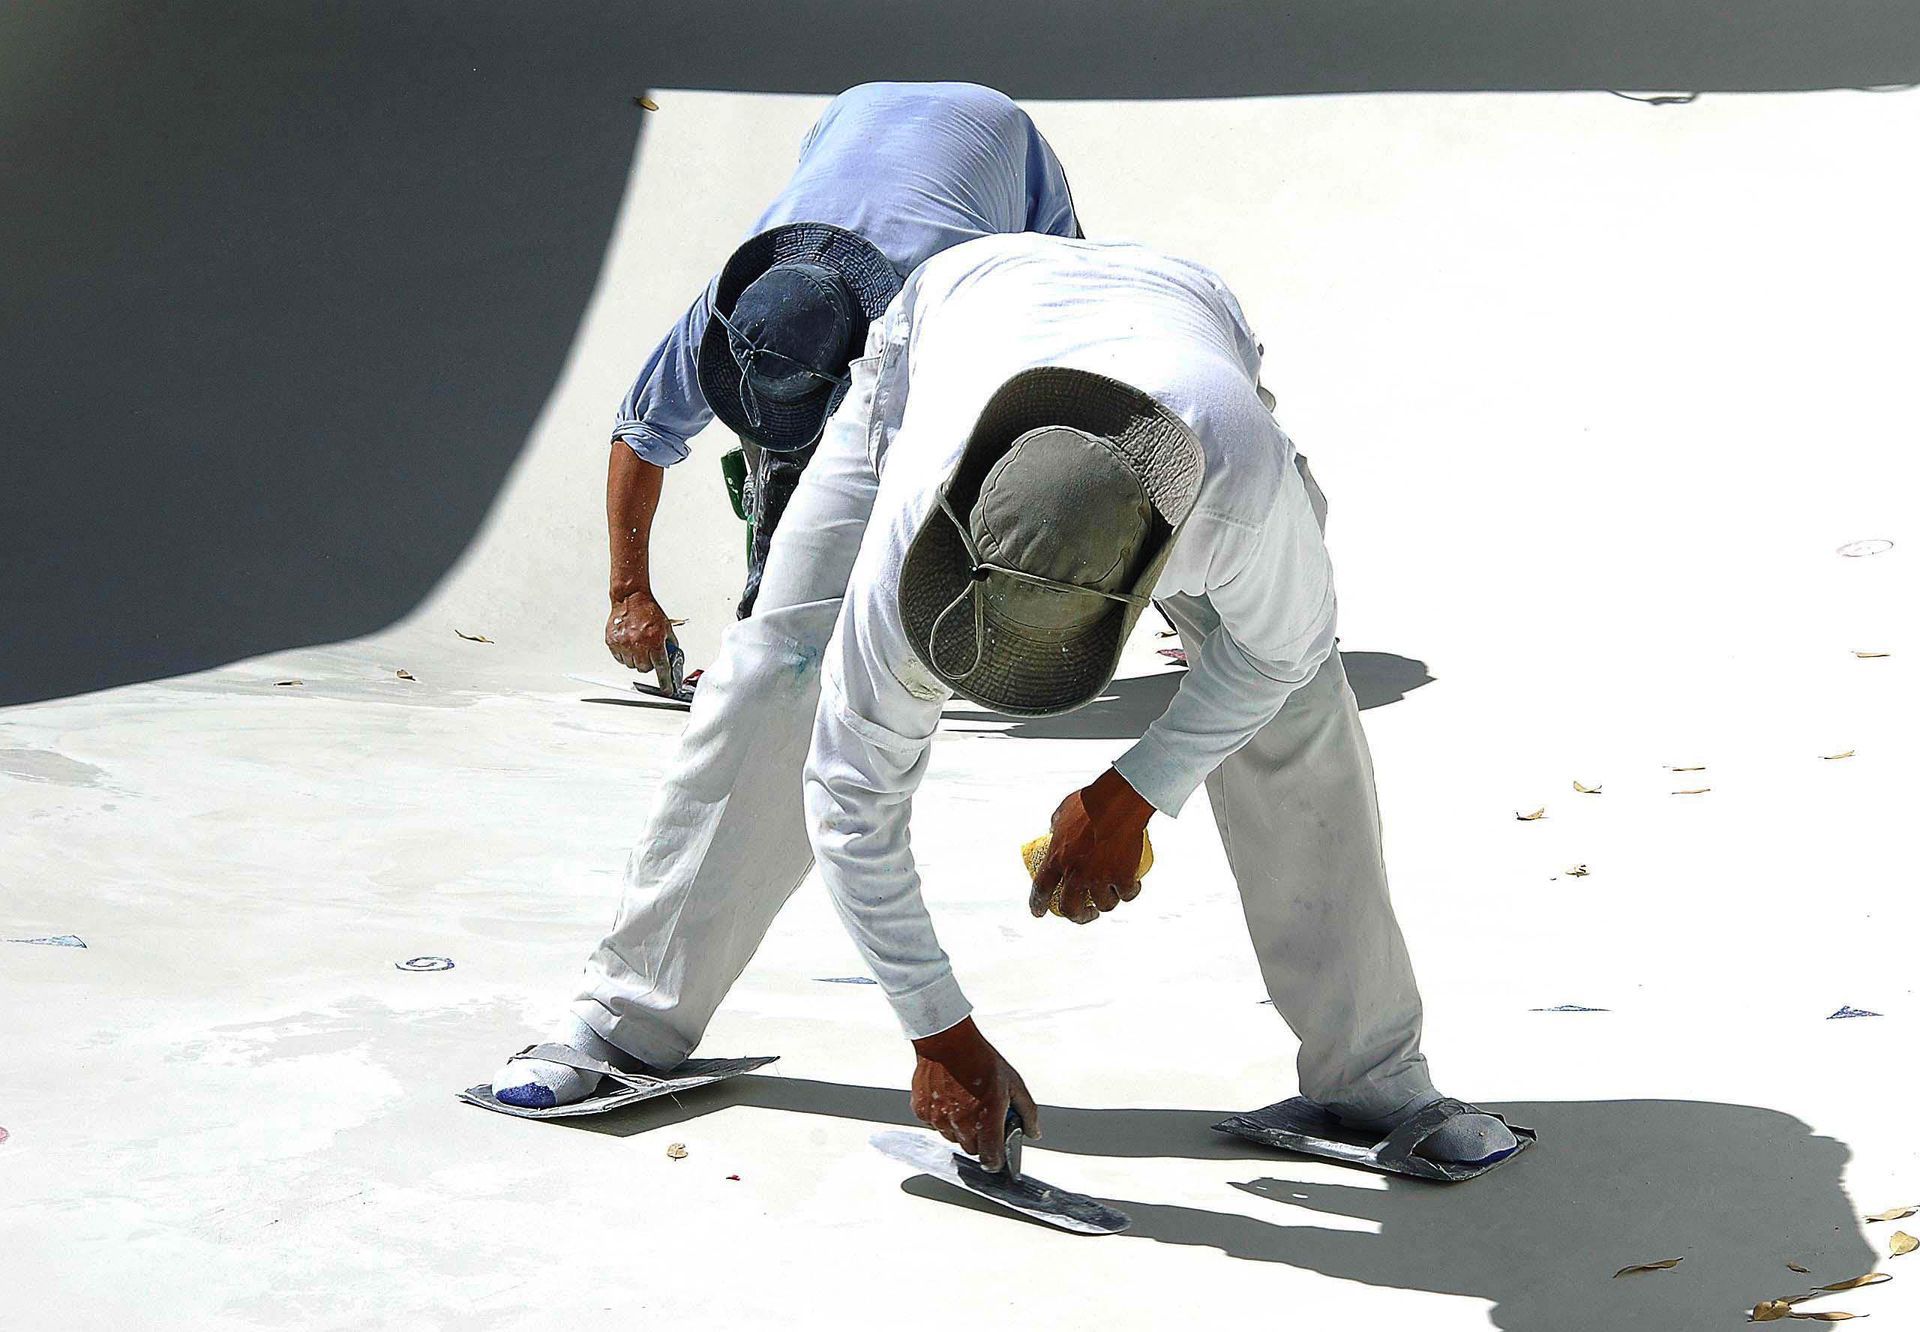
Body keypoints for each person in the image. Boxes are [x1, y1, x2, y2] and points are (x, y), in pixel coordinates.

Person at [492, 233, 1517, 1169]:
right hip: (947, 326)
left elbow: (1280, 651)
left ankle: (1372, 1076)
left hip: (1184, 323)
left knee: (1299, 706)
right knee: (784, 670)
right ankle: (624, 1020)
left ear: (1150, 579)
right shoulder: (916, 514)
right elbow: (850, 791)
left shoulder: (1239, 498)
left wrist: (1134, 792)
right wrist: (938, 1030)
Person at [601, 81, 1081, 687]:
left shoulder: (949, 298)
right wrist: (628, 593)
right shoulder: (734, 310)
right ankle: (771, 609)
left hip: (998, 135)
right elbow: (641, 433)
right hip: (853, 115)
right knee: (787, 452)